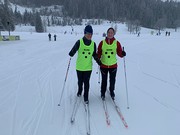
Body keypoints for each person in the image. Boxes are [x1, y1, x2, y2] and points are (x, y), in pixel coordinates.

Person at [69, 25, 101, 104]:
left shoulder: (93, 44)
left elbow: (94, 55)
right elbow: (74, 49)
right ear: (84, 33)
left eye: (91, 34)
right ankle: (80, 90)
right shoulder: (79, 42)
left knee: (86, 82)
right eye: (88, 33)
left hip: (88, 68)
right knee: (80, 81)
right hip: (79, 67)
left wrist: (98, 61)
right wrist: (71, 53)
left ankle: (86, 96)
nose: (89, 35)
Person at [97, 27, 126, 100]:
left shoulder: (117, 43)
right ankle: (102, 92)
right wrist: (97, 58)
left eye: (111, 33)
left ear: (113, 34)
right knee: (104, 80)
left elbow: (119, 53)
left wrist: (122, 53)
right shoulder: (102, 42)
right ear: (107, 33)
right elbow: (99, 53)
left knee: (112, 80)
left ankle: (112, 91)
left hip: (113, 65)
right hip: (103, 65)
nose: (110, 34)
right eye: (109, 32)